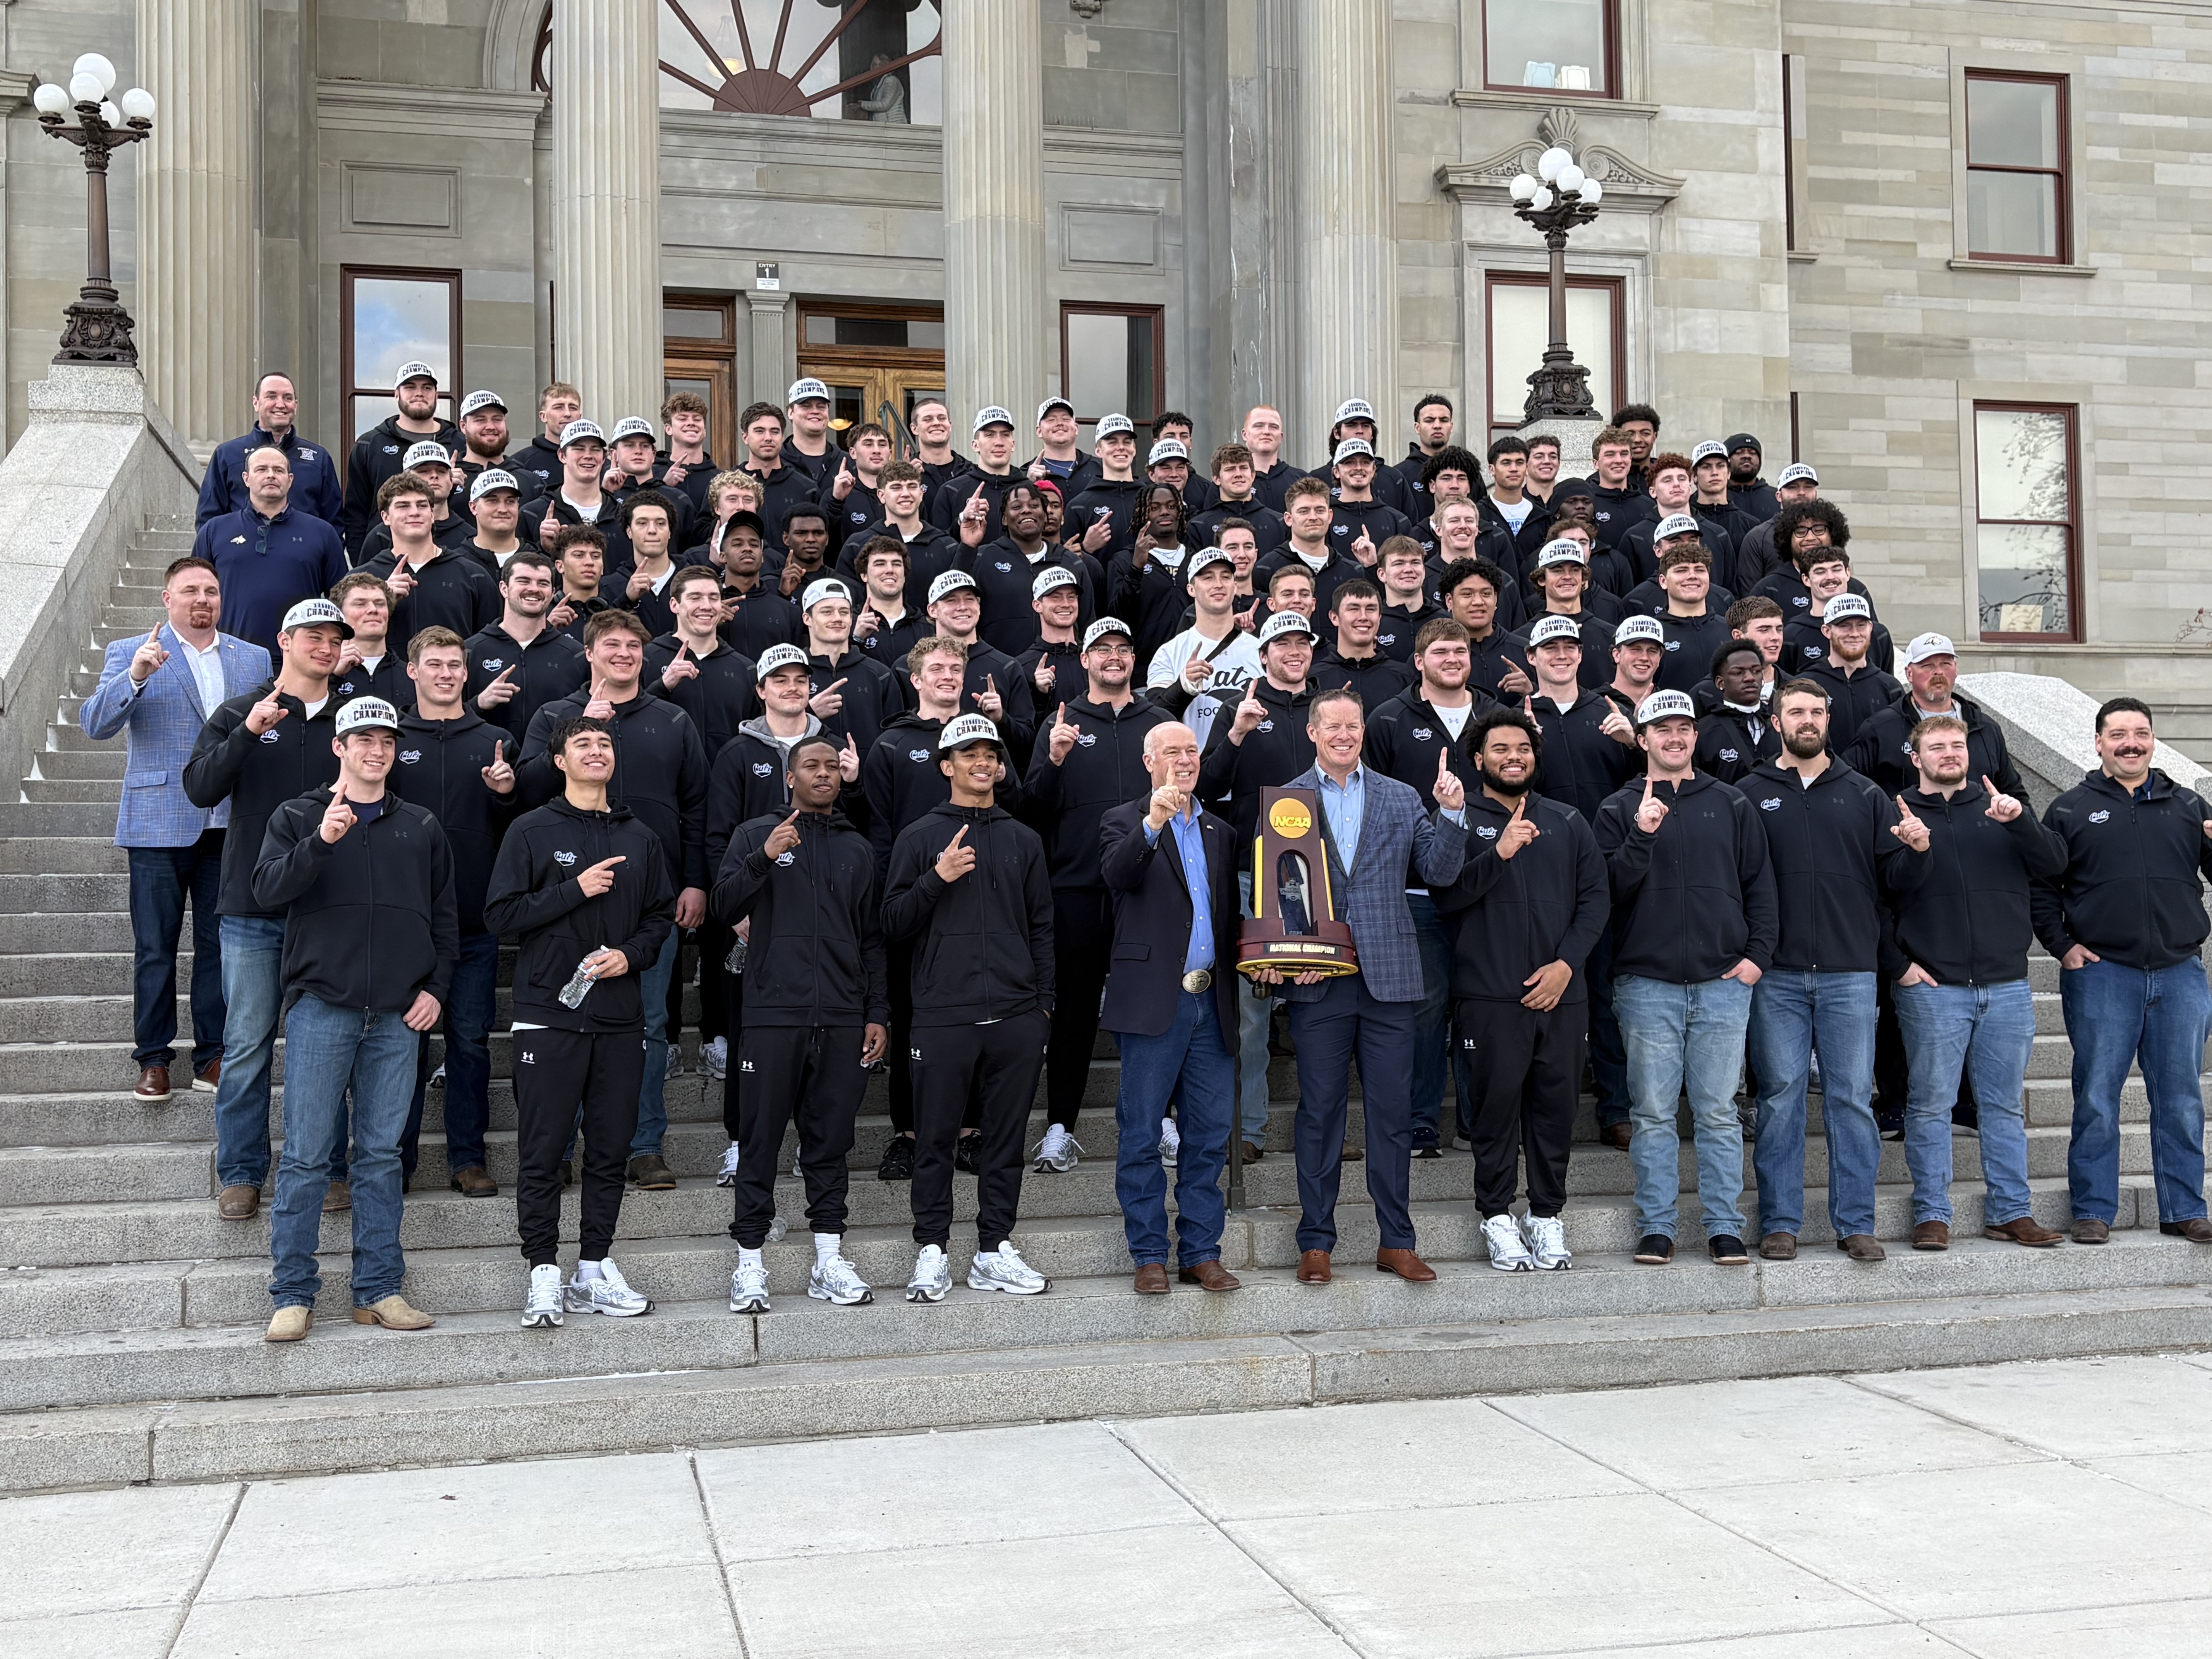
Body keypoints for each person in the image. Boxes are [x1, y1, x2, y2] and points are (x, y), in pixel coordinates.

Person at [252, 695, 454, 1343]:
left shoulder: (421, 824)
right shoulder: (297, 816)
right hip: (322, 1008)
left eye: (387, 741)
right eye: (364, 739)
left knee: (380, 1157)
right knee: (307, 1156)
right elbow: (267, 890)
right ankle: (292, 1293)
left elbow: (446, 919)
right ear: (338, 746)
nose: (377, 750)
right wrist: (321, 842)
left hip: (398, 1014)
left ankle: (378, 1289)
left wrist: (436, 989)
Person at [1269, 687, 1467, 1285]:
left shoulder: (1401, 796)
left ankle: (1397, 1241)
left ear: (1363, 731)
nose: (1343, 735)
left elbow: (1439, 872)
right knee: (1319, 1113)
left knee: (1392, 1115)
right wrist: (1295, 953)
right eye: (1331, 726)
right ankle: (1316, 1242)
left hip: (1390, 978)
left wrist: (1451, 813)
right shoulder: (1287, 800)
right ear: (1312, 732)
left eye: (1352, 725)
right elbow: (1280, 889)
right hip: (1319, 978)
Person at [484, 715, 672, 1328]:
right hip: (550, 1017)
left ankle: (593, 1270)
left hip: (619, 1018)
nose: (597, 751)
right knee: (542, 1152)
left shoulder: (642, 836)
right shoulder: (531, 829)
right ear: (559, 761)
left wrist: (631, 956)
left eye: (604, 743)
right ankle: (542, 1271)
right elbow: (500, 915)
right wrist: (575, 889)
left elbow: (661, 918)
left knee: (610, 1151)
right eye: (583, 744)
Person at [519, 610, 709, 1190]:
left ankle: (644, 1146)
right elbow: (526, 789)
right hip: (568, 898)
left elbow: (697, 806)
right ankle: (561, 1147)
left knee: (649, 1026)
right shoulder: (554, 715)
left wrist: (694, 881)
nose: (624, 654)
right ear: (589, 654)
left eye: (633, 645)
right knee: (566, 1024)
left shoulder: (673, 719)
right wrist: (582, 724)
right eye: (612, 645)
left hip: (649, 903)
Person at [1593, 689, 1776, 1267]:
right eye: (1662, 729)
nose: (1674, 738)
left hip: (1723, 983)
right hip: (1647, 986)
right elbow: (1606, 892)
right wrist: (1643, 834)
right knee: (1651, 1113)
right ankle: (1658, 1227)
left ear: (1696, 736)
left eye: (1683, 729)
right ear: (1641, 739)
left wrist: (1757, 958)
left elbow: (1760, 885)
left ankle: (1724, 1226)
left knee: (1718, 1111)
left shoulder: (1731, 802)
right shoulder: (1618, 808)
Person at [182, 598, 347, 1221]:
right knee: (248, 1044)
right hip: (252, 909)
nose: (325, 648)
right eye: (313, 636)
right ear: (284, 640)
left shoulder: (352, 719)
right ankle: (242, 1172)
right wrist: (249, 732)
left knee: (325, 1047)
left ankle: (326, 1168)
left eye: (334, 639)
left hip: (329, 910)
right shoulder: (240, 711)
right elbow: (200, 789)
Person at [82, 557, 270, 1100]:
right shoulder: (131, 651)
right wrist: (136, 677)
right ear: (168, 599)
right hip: (157, 821)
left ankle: (211, 1055)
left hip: (228, 823)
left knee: (218, 947)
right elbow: (95, 724)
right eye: (190, 591)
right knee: (155, 948)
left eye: (211, 590)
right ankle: (153, 1057)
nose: (202, 600)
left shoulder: (253, 658)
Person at [883, 714, 1055, 1301]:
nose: (983, 763)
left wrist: (1044, 1007)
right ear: (946, 766)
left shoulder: (1024, 839)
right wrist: (936, 878)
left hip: (1016, 1015)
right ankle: (931, 1249)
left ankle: (993, 1249)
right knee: (933, 1140)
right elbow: (892, 923)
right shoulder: (918, 836)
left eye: (991, 754)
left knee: (1004, 1142)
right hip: (943, 1014)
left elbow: (1042, 927)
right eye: (969, 754)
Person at [716, 736, 889, 1314]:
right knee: (760, 1140)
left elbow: (872, 939)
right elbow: (722, 907)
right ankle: (749, 1262)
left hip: (841, 1016)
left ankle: (829, 1258)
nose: (824, 774)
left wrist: (877, 1011)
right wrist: (763, 857)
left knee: (831, 1142)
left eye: (832, 766)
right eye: (811, 766)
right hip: (773, 1014)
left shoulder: (857, 847)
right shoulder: (754, 834)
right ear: (789, 778)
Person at [2032, 698, 2212, 1245]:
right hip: (2103, 974)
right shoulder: (2070, 809)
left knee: (2182, 1099)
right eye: (2118, 734)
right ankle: (2092, 1210)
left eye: (2141, 733)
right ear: (2099, 743)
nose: (2131, 743)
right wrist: (2062, 946)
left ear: (2153, 740)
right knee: (2096, 1097)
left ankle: (2184, 1208)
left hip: (2180, 973)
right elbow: (2042, 888)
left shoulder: (2188, 805)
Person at [1886, 714, 2068, 1249]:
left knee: (2004, 1106)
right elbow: (1880, 893)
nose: (1949, 753)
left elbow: (2056, 864)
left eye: (1957, 745)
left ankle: (2011, 1211)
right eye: (1937, 746)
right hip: (1933, 988)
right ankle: (1932, 1213)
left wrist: (2021, 822)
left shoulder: (2002, 808)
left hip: (2005, 985)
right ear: (1916, 758)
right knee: (1930, 1104)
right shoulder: (1896, 812)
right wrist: (1899, 965)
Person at [1437, 706, 1608, 1271]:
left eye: (1523, 749)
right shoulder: (1459, 817)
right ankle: (1496, 1216)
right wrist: (1500, 852)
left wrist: (1566, 966)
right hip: (1490, 996)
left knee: (1556, 1112)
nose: (1514, 758)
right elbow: (1447, 894)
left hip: (1562, 995)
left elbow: (1595, 901)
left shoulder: (1568, 820)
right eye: (1501, 749)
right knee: (1494, 1114)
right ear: (1478, 759)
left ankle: (1546, 1215)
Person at [1742, 680, 1899, 1261]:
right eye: (1795, 712)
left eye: (1816, 711)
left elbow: (1894, 884)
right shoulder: (1749, 794)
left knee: (1852, 1098)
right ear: (1776, 722)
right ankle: (1780, 1222)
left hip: (1850, 971)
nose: (1807, 720)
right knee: (1780, 1098)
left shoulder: (1865, 794)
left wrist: (1917, 851)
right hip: (1776, 974)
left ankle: (1855, 1222)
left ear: (1828, 719)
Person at [1099, 721, 1243, 1292]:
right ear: (1149, 761)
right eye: (1173, 752)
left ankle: (1202, 1252)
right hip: (1153, 1001)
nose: (1185, 760)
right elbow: (1118, 875)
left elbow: (1230, 915)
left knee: (1208, 1136)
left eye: (1192, 751)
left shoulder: (1220, 830)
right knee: (1141, 1134)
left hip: (1212, 1001)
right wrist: (1154, 823)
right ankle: (1149, 1255)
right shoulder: (1123, 821)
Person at [1023, 619, 1171, 1172]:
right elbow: (1034, 808)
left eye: (1123, 648)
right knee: (1074, 1015)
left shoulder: (1158, 721)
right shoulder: (1060, 721)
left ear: (1134, 658)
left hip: (1149, 888)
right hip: (1077, 889)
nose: (1113, 657)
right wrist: (1056, 759)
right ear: (1083, 660)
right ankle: (1060, 1127)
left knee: (1154, 1012)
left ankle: (1163, 1121)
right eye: (1102, 649)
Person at [387, 626, 517, 1200]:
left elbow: (513, 832)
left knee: (470, 1040)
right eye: (434, 664)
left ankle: (468, 1158)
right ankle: (397, 1158)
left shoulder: (494, 741)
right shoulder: (391, 738)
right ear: (413, 671)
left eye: (455, 666)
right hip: (404, 924)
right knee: (404, 1045)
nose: (446, 674)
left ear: (467, 673)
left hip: (472, 923)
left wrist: (505, 794)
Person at [1363, 617, 1492, 1155]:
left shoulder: (1494, 716)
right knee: (1424, 1010)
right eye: (1440, 652)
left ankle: (1477, 1122)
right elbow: (1370, 802)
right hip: (1416, 892)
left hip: (1487, 887)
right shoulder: (1389, 719)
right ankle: (1420, 1120)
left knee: (1482, 1006)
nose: (1452, 659)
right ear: (1419, 661)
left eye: (1459, 651)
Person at [1198, 610, 1319, 1159]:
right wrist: (1238, 733)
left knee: (1322, 1008)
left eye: (1302, 642)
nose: (1294, 651)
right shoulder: (1238, 706)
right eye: (1282, 643)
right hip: (1256, 874)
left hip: (1322, 877)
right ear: (1263, 654)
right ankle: (1247, 1130)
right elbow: (1208, 786)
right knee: (1251, 1012)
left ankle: (1323, 1129)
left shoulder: (1328, 707)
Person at [861, 635, 980, 1177]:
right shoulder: (891, 743)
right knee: (909, 1017)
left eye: (956, 667)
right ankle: (908, 1135)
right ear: (916, 679)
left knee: (976, 1016)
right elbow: (878, 829)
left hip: (976, 897)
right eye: (937, 668)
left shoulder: (984, 738)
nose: (948, 675)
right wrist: (893, 896)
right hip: (911, 899)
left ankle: (971, 1132)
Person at [194, 444, 348, 658]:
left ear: (290, 480)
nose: (271, 475)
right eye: (261, 469)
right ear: (246, 479)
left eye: (279, 470)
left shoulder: (322, 533)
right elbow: (195, 593)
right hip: (231, 657)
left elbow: (341, 600)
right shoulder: (215, 531)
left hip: (300, 659)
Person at [1844, 632, 2026, 800]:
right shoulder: (1881, 728)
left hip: (1978, 823)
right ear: (1909, 673)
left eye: (1946, 664)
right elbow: (1850, 785)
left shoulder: (1985, 728)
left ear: (1956, 669)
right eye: (1928, 666)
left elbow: (2014, 793)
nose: (1938, 672)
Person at [360, 471, 500, 654]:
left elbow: (491, 646)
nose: (415, 512)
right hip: (388, 673)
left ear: (432, 515)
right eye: (403, 506)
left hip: (453, 672)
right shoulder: (363, 581)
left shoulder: (474, 575)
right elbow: (347, 642)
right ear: (386, 517)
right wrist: (381, 601)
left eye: (422, 505)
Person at [465, 548, 590, 745]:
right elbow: (445, 719)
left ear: (552, 592)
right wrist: (478, 703)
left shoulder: (577, 656)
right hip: (486, 761)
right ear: (504, 588)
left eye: (543, 583)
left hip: (553, 763)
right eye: (524, 581)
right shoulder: (470, 652)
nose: (534, 589)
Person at [341, 361, 459, 560]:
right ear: (397, 394)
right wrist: (362, 562)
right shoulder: (369, 445)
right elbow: (356, 513)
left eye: (427, 388)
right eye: (410, 387)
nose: (419, 393)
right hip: (384, 556)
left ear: (436, 395)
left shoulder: (460, 444)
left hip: (452, 556)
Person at [198, 371, 340, 530]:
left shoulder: (319, 459)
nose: (280, 404)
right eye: (272, 397)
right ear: (256, 403)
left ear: (296, 405)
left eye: (288, 398)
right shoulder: (227, 455)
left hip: (304, 546)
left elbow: (334, 524)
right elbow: (208, 521)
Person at [524, 420, 630, 571]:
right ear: (562, 455)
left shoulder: (625, 517)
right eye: (579, 449)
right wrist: (547, 550)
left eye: (595, 450)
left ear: (604, 457)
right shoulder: (533, 514)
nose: (588, 456)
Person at [1798, 594, 1899, 755]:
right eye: (1845, 626)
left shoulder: (1891, 688)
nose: (1854, 634)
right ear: (1827, 631)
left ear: (1871, 628)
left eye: (1861, 626)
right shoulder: (1805, 685)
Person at [1261, 475, 1365, 619]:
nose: (1313, 517)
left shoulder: (1353, 573)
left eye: (1320, 510)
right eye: (1304, 511)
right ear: (1288, 519)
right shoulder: (1266, 569)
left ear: (1330, 516)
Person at [355, 441, 472, 566]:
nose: (434, 476)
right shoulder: (381, 536)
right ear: (405, 478)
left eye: (442, 471)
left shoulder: (470, 537)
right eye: (424, 471)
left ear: (451, 479)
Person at [1312, 577, 1418, 709]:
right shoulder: (1314, 679)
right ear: (1334, 618)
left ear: (1380, 617)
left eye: (1371, 609)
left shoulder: (1405, 678)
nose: (1363, 617)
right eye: (1354, 609)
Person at [1437, 557, 1532, 702]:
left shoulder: (1526, 652)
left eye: (1486, 594)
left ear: (1496, 599)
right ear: (1450, 601)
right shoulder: (1434, 655)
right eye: (1467, 594)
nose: (1478, 602)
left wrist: (1531, 692)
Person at [929, 406, 1022, 543]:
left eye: (1005, 435)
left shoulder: (1029, 490)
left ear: (1013, 445)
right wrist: (962, 521)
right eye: (990, 435)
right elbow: (938, 545)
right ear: (975, 445)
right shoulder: (952, 490)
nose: (999, 443)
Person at [1695, 640, 1782, 784]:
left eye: (1756, 671)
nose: (1750, 678)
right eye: (1738, 673)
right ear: (1720, 683)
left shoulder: (1781, 725)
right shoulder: (1703, 732)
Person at [508, 383, 582, 498]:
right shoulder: (520, 463)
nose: (568, 414)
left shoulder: (596, 462)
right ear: (543, 416)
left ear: (580, 416)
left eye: (573, 408)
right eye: (559, 407)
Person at [1726, 434, 1780, 523]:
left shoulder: (1777, 498)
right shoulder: (1716, 497)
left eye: (1753, 453)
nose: (1747, 456)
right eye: (1739, 452)